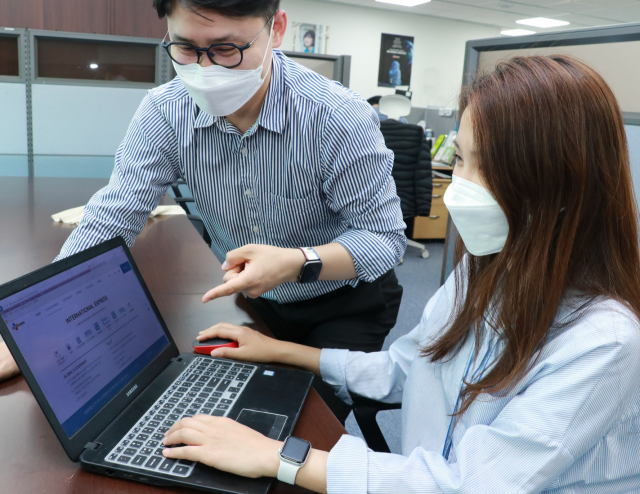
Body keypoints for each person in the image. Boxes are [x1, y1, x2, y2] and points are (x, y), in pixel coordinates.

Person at [157, 55, 640, 492]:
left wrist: (276, 457)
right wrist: (282, 351)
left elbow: (470, 485)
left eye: (485, 166)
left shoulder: (603, 339)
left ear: (561, 184)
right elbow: (407, 369)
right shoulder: (487, 270)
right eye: (462, 161)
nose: (458, 189)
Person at [0, 0, 407, 425]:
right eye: (185, 48)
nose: (204, 68)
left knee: (288, 428)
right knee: (212, 417)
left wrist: (297, 261)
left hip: (344, 301)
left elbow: (384, 240)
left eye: (226, 48)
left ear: (277, 29)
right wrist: (37, 330)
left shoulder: (336, 116)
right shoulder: (165, 110)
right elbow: (114, 213)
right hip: (257, 300)